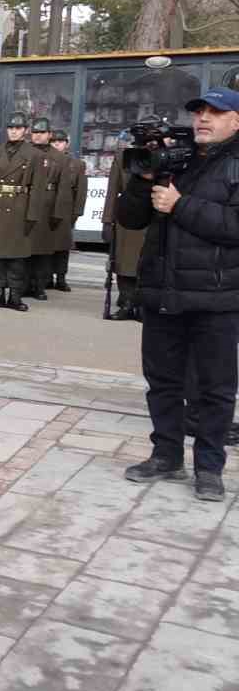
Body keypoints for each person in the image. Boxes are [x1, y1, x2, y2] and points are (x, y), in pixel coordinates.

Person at [116, 87, 239, 502]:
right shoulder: (177, 159)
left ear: (236, 121)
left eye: (215, 112)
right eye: (199, 112)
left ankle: (209, 468)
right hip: (163, 292)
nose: (203, 119)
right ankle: (166, 456)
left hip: (216, 298)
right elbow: (130, 219)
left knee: (215, 389)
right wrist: (143, 180)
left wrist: (180, 204)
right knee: (163, 382)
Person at [0, 113, 41, 312]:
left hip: (20, 207)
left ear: (25, 130)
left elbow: (37, 188)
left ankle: (14, 295)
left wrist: (32, 215)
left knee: (16, 257)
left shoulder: (34, 155)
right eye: (11, 128)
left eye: (18, 128)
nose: (13, 131)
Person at [104, 139, 149, 320]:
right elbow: (112, 191)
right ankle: (127, 303)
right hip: (128, 215)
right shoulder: (123, 156)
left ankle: (142, 305)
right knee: (125, 264)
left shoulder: (163, 156)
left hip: (154, 216)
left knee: (149, 265)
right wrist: (107, 221)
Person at [23, 118, 64, 301]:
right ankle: (22, 284)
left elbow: (63, 188)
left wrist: (58, 212)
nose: (38, 136)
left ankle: (39, 286)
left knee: (43, 251)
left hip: (47, 204)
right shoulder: (24, 152)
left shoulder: (59, 157)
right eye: (35, 132)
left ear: (49, 134)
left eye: (42, 132)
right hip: (26, 202)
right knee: (24, 249)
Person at [49, 130, 86, 291]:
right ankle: (46, 277)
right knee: (46, 245)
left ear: (67, 144)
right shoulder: (44, 160)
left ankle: (61, 278)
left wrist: (77, 212)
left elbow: (81, 190)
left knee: (63, 246)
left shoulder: (77, 164)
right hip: (47, 207)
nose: (57, 144)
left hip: (66, 208)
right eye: (54, 141)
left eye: (60, 141)